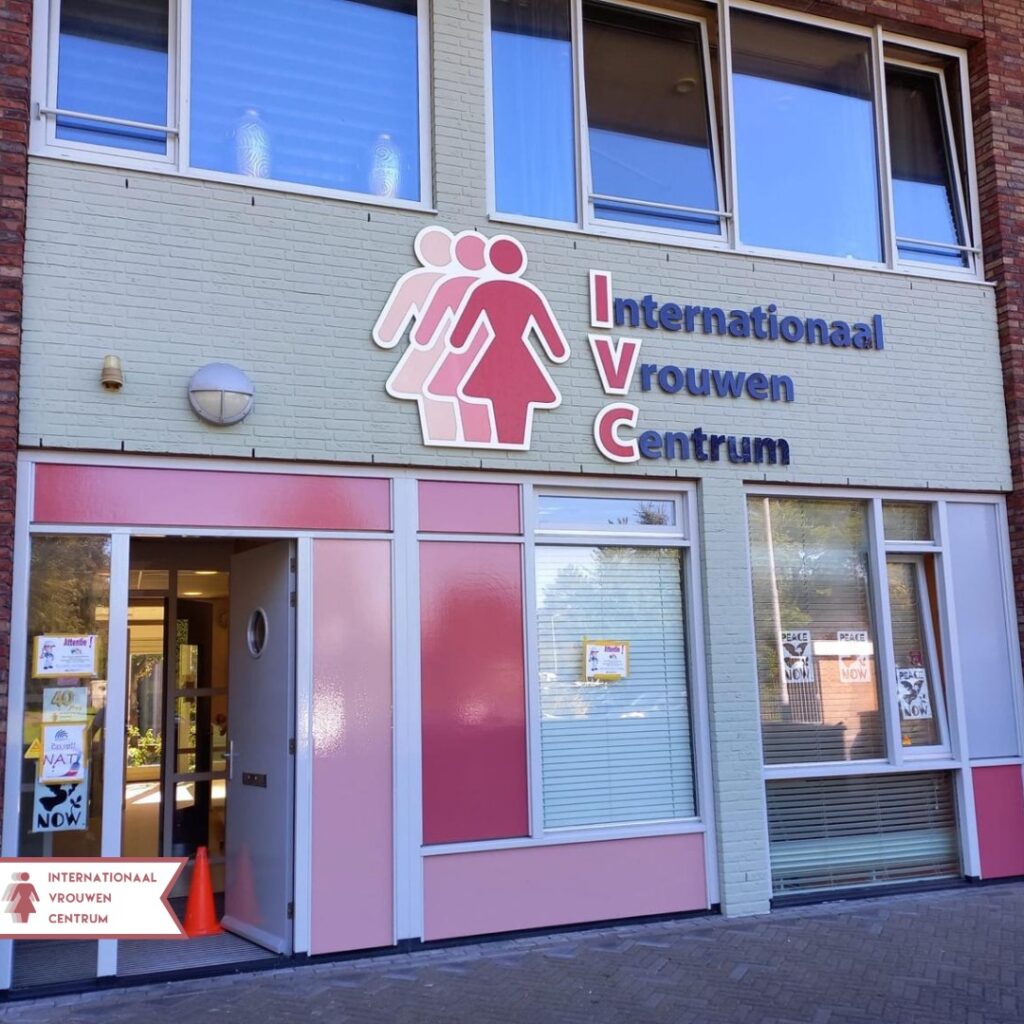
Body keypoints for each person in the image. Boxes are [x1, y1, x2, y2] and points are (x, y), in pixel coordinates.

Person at [445, 236, 569, 448]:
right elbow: (555, 347)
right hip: (522, 360)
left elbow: (458, 338)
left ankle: (508, 446)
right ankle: (510, 445)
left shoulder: (484, 290)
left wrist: (460, 344)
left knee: (498, 401)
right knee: (518, 405)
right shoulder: (529, 294)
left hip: (494, 358)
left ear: (492, 261)